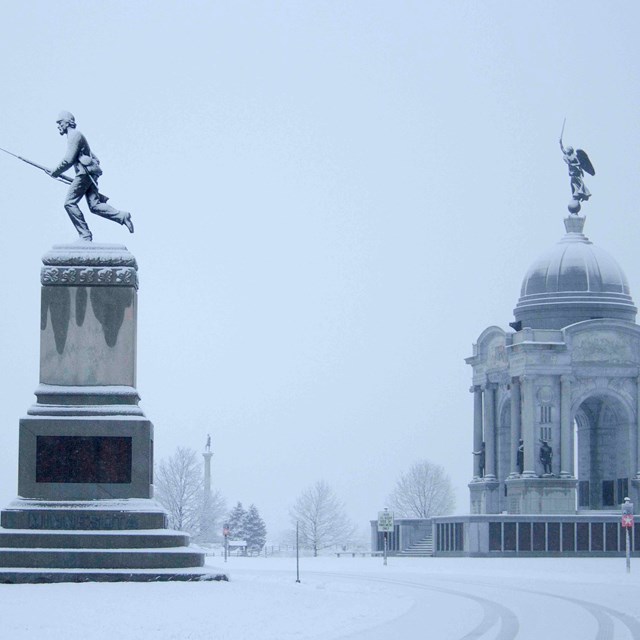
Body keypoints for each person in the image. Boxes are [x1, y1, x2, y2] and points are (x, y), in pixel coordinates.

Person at [48, 111, 134, 241]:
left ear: (68, 122)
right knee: (95, 206)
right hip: (88, 174)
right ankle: (122, 216)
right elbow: (95, 159)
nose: (58, 125)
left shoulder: (74, 135)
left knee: (69, 203)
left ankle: (85, 235)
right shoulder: (76, 136)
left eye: (60, 122)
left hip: (85, 174)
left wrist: (55, 172)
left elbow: (69, 160)